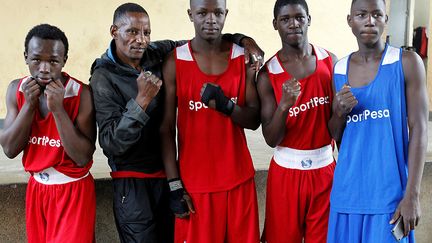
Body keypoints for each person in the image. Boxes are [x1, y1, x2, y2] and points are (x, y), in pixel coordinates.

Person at [89, 3, 264, 242]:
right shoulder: (103, 77)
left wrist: (244, 40)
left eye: (146, 33)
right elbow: (111, 143)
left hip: (175, 176)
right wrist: (140, 102)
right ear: (114, 31)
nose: (140, 39)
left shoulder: (156, 53)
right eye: (131, 32)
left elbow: (206, 37)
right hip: (135, 183)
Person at [160, 0, 262, 242]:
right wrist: (174, 185)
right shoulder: (176, 61)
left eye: (217, 12)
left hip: (239, 181)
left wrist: (227, 106)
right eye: (202, 13)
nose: (211, 19)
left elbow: (254, 119)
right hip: (196, 187)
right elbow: (165, 129)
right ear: (190, 14)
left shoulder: (242, 57)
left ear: (225, 14)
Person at [327, 0, 428, 242]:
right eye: (361, 15)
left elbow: (420, 128)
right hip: (347, 194)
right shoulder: (339, 68)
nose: (369, 21)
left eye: (376, 14)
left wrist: (412, 195)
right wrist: (339, 111)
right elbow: (335, 134)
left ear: (385, 19)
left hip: (389, 197)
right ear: (350, 20)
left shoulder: (406, 62)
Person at [0, 24, 96, 243]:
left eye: (53, 61)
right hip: (38, 190)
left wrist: (58, 110)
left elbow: (82, 157)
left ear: (64, 60)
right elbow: (9, 149)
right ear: (26, 57)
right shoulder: (17, 89)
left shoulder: (81, 93)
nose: (44, 68)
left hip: (73, 190)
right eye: (36, 60)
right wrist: (29, 106)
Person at [256, 0, 337, 242]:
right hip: (286, 173)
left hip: (325, 168)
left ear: (309, 20)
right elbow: (271, 138)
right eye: (285, 19)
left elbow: (339, 123)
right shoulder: (267, 74)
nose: (294, 24)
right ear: (275, 24)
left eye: (299, 17)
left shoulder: (329, 62)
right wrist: (284, 106)